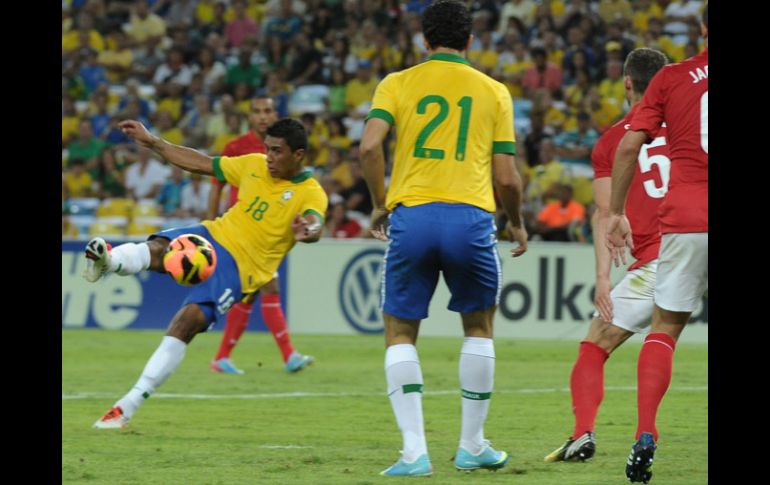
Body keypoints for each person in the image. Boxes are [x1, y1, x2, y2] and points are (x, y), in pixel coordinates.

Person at [360, 0, 528, 477]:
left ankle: (414, 452)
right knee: (478, 327)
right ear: (471, 41)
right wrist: (514, 220)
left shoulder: (396, 83)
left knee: (399, 333)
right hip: (471, 218)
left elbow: (370, 146)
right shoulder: (494, 91)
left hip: (412, 216)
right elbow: (509, 177)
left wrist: (380, 201)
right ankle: (472, 445)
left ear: (424, 40)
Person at [87, 117, 328, 429]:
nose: (269, 157)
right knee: (161, 247)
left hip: (241, 269)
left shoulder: (311, 192)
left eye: (277, 151)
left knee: (188, 322)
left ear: (298, 155)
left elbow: (315, 223)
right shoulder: (254, 164)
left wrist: (308, 230)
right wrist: (156, 142)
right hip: (212, 236)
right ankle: (109, 261)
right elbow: (202, 164)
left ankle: (127, 405)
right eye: (267, 149)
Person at [542, 47, 669, 464]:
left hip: (659, 258)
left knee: (596, 342)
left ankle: (583, 434)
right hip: (696, 246)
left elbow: (603, 214)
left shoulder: (612, 141)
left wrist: (602, 278)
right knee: (665, 335)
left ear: (627, 83)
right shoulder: (692, 128)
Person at [606, 6, 707, 483]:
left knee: (664, 328)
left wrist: (616, 212)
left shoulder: (671, 77)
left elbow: (629, 145)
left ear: (702, 28)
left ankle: (645, 433)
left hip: (688, 217)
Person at [207, 96, 314, 375]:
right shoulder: (237, 147)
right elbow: (216, 183)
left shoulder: (286, 148)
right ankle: (289, 356)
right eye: (257, 111)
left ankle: (222, 357)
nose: (263, 116)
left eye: (268, 111)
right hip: (240, 231)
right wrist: (210, 220)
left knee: (249, 296)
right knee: (268, 287)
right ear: (249, 116)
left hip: (269, 232)